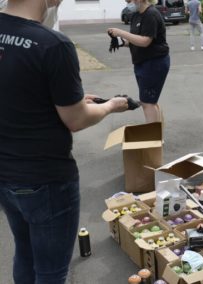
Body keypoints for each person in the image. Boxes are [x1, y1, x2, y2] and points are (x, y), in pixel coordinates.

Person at [0, 0, 133, 283]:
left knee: (25, 253)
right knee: (51, 271)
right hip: (45, 180)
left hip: (6, 174)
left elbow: (16, 90)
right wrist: (110, 105)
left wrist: (64, 100)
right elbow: (77, 120)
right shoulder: (52, 44)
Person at [107, 0, 170, 123]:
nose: (127, 3)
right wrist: (122, 42)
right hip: (143, 63)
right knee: (151, 102)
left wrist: (121, 32)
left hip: (154, 63)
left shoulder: (151, 14)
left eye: (129, 0)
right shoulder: (136, 15)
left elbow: (145, 41)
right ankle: (157, 136)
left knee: (147, 103)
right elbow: (135, 39)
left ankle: (153, 138)